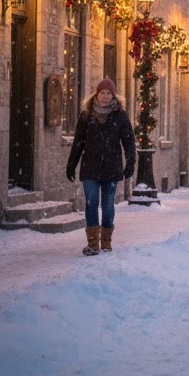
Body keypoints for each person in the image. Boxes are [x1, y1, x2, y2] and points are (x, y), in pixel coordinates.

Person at [65, 78, 136, 256]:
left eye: (108, 93)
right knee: (91, 202)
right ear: (97, 94)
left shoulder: (119, 115)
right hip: (90, 166)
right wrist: (71, 164)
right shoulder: (86, 115)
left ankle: (106, 242)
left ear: (113, 95)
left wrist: (130, 162)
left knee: (107, 204)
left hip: (112, 168)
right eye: (102, 93)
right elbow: (78, 142)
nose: (105, 97)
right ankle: (92, 244)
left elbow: (128, 140)